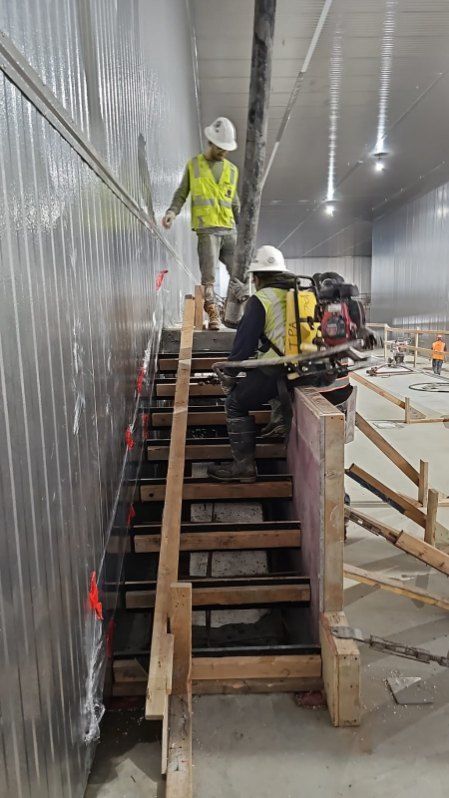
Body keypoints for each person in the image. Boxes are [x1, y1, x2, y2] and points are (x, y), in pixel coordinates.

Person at [208, 245, 293, 482]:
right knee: (263, 380)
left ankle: (243, 467)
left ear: (256, 277)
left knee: (235, 403)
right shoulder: (296, 294)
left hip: (277, 371)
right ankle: (277, 421)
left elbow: (242, 349)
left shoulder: (260, 300)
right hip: (303, 370)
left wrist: (230, 376)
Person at [162, 117, 240, 330]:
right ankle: (213, 312)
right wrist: (172, 212)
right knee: (209, 276)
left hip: (229, 230)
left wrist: (243, 231)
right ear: (211, 143)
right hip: (207, 230)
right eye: (221, 147)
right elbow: (182, 193)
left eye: (226, 148)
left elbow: (235, 201)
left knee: (239, 272)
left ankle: (234, 312)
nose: (224, 152)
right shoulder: (194, 166)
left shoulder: (232, 170)